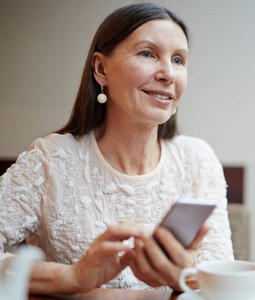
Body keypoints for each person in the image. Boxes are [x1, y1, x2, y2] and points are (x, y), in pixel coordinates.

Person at [0, 2, 234, 294]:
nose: (168, 74)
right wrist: (72, 277)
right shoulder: (51, 161)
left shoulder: (198, 161)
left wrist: (184, 277)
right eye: (148, 53)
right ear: (101, 69)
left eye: (178, 60)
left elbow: (224, 285)